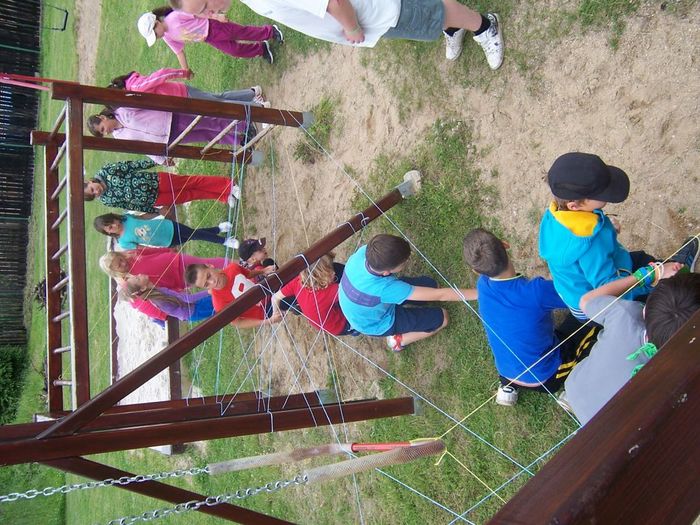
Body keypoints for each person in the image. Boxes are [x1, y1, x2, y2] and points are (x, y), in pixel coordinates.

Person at [538, 152, 691, 321]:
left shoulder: (555, 213)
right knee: (667, 293)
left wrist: (605, 227)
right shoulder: (590, 245)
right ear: (575, 206)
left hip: (578, 290)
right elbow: (610, 291)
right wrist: (653, 275)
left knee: (642, 258)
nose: (608, 194)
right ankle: (681, 275)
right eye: (601, 194)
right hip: (602, 302)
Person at [462, 228, 599, 406]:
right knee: (588, 317)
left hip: (506, 372)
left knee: (512, 338)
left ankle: (507, 387)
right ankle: (576, 391)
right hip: (546, 377)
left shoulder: (483, 285)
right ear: (505, 244)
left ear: (476, 271)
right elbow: (578, 296)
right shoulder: (536, 291)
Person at [169, 0, 504, 68]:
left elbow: (331, 1)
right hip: (370, 15)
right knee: (425, 17)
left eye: (205, 6)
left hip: (369, 9)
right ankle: (453, 28)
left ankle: (484, 26)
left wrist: (352, 27)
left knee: (429, 11)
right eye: (202, 14)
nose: (209, 15)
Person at [562, 267, 698, 425]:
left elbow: (585, 301)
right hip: (608, 428)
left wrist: (649, 274)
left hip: (576, 390)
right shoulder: (680, 369)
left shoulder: (625, 314)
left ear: (645, 311)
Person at [338, 234, 477, 351]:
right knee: (442, 318)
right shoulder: (387, 288)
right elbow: (441, 295)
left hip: (368, 304)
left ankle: (398, 303)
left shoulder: (365, 253)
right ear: (386, 272)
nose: (407, 262)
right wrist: (480, 294)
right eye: (404, 262)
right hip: (376, 322)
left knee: (431, 284)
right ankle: (397, 341)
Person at [86, 105, 255, 166]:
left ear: (102, 117)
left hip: (170, 119)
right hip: (168, 139)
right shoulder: (119, 137)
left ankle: (243, 125)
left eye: (102, 128)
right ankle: (240, 140)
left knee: (209, 123)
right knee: (205, 135)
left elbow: (144, 101)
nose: (106, 132)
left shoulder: (123, 110)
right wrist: (161, 160)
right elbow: (143, 148)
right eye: (103, 133)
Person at [83, 158, 241, 214]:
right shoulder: (106, 200)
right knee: (191, 195)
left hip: (156, 181)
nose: (96, 192)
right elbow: (129, 205)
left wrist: (157, 161)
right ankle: (223, 196)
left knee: (192, 182)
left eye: (92, 189)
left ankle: (228, 186)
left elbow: (132, 165)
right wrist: (156, 210)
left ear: (90, 181)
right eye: (93, 195)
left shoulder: (106, 171)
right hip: (155, 199)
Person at [137, 6, 282, 67]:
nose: (157, 37)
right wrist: (185, 70)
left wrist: (217, 16)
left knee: (242, 32)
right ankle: (261, 49)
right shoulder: (167, 37)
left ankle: (270, 31)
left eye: (155, 34)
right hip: (209, 38)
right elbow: (179, 52)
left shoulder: (175, 17)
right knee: (234, 50)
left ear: (157, 23)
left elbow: (197, 12)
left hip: (213, 26)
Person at [271, 252, 357, 336]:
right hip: (340, 325)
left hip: (323, 318)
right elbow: (355, 291)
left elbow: (275, 297)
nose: (333, 272)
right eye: (329, 272)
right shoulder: (329, 292)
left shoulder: (298, 281)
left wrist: (275, 313)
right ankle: (354, 329)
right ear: (319, 276)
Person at [185, 262, 282, 328]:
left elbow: (248, 274)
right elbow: (238, 322)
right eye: (207, 284)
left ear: (210, 266)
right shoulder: (219, 304)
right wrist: (267, 321)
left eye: (209, 276)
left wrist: (263, 271)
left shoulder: (233, 267)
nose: (212, 282)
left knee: (270, 263)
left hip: (265, 290)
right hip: (266, 310)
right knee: (287, 294)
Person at [108, 68, 267, 107]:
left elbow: (161, 74)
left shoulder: (136, 88)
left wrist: (183, 73)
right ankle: (252, 93)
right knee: (218, 98)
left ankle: (259, 107)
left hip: (183, 95)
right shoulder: (133, 86)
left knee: (219, 104)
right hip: (182, 95)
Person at [99, 247, 228, 290]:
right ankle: (226, 283)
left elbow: (150, 251)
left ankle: (233, 265)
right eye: (119, 266)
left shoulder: (132, 253)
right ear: (115, 272)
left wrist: (168, 250)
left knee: (206, 263)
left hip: (175, 260)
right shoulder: (130, 280)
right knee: (205, 282)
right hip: (174, 280)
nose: (123, 263)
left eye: (120, 260)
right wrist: (175, 289)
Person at [93, 213, 239, 250]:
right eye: (110, 227)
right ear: (109, 233)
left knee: (194, 234)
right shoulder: (124, 242)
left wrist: (158, 212)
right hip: (166, 241)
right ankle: (218, 229)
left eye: (112, 221)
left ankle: (225, 241)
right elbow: (141, 248)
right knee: (194, 235)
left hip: (168, 226)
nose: (114, 225)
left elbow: (143, 217)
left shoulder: (126, 218)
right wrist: (162, 251)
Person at [123, 274, 216, 322]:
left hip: (193, 307)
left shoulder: (155, 292)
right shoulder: (157, 297)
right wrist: (208, 291)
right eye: (138, 278)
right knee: (219, 304)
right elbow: (189, 299)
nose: (139, 274)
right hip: (194, 311)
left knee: (216, 300)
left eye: (136, 276)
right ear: (143, 288)